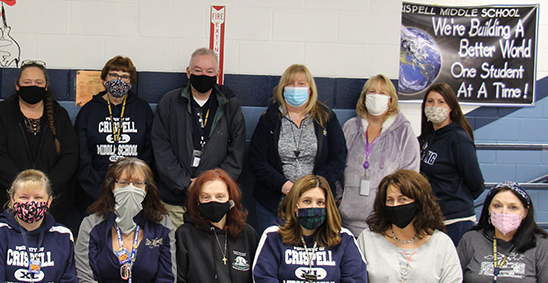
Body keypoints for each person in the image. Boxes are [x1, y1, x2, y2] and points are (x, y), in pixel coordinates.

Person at [0, 61, 79, 233]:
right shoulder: (1, 112)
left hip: (49, 205)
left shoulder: (58, 114)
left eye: (38, 83)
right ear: (17, 86)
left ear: (46, 86)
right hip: (5, 203)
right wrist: (21, 188)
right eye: (27, 82)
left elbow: (70, 156)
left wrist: (44, 189)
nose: (33, 86)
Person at [151, 48, 246, 228]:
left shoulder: (230, 105)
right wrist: (185, 183)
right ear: (188, 72)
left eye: (209, 71)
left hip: (213, 202)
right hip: (174, 201)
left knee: (208, 253)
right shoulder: (169, 102)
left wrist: (210, 185)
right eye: (198, 71)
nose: (204, 75)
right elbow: (161, 149)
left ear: (217, 74)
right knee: (173, 252)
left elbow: (237, 152)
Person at [250, 64, 347, 231]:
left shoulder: (326, 118)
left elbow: (339, 157)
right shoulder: (270, 118)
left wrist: (314, 185)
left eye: (301, 84)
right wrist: (283, 184)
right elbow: (257, 159)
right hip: (274, 205)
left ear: (310, 89)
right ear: (282, 89)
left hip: (315, 205)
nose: (296, 88)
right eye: (290, 84)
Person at [340, 74, 420, 237]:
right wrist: (339, 198)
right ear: (363, 98)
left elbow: (410, 177)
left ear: (391, 100)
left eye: (383, 93)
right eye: (372, 92)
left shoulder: (403, 132)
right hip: (346, 223)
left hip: (384, 225)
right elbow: (336, 164)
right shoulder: (349, 128)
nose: (377, 96)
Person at [76, 55, 154, 203]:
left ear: (131, 82)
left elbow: (148, 152)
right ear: (104, 79)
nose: (119, 80)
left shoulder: (142, 109)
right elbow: (82, 155)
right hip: (95, 191)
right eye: (113, 75)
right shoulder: (89, 110)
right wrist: (98, 190)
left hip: (133, 190)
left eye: (125, 76)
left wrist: (136, 185)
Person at [418, 82, 484, 245]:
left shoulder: (458, 139)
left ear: (451, 107)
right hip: (432, 219)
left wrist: (452, 199)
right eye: (430, 101)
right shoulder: (427, 137)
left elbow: (476, 184)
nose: (435, 106)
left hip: (455, 221)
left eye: (441, 102)